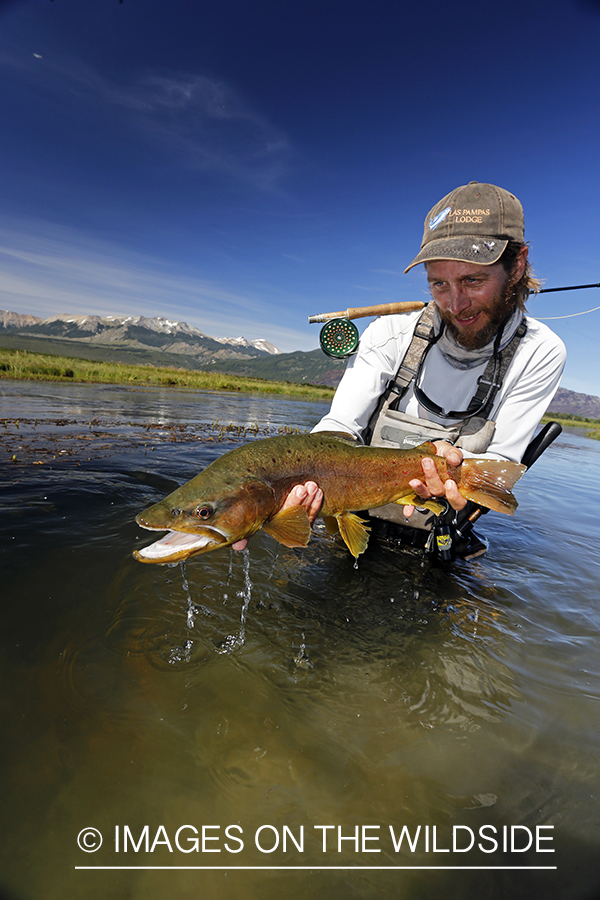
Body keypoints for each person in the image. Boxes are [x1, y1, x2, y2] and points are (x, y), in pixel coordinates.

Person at [234, 181, 566, 557]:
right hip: (355, 515)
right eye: (439, 283)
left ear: (518, 264)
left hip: (442, 530)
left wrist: (453, 471)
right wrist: (301, 487)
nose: (456, 304)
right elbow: (339, 428)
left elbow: (502, 465)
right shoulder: (391, 332)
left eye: (472, 280)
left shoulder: (541, 351)